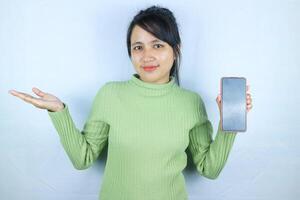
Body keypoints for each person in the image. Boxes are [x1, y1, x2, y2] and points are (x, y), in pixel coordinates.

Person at [9, 5, 253, 200]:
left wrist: (227, 123)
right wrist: (59, 112)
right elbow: (82, 159)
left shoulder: (191, 102)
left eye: (157, 45)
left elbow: (209, 170)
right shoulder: (110, 95)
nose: (146, 56)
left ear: (176, 49)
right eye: (138, 47)